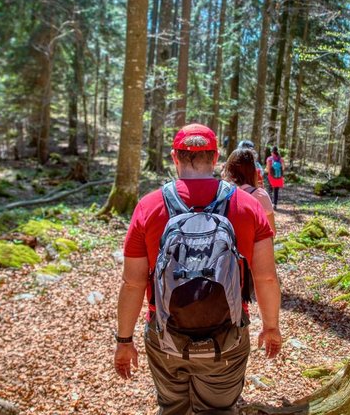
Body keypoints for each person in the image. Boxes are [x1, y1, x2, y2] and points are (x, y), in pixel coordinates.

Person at [114, 123, 282, 415]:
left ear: (173, 157)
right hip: (227, 335)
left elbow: (132, 283)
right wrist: (271, 327)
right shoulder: (247, 205)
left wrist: (124, 341)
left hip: (165, 334)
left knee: (173, 408)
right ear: (216, 158)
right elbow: (266, 277)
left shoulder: (149, 206)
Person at [223, 148, 275, 234]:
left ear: (229, 169)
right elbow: (272, 232)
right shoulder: (260, 195)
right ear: (252, 170)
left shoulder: (221, 193)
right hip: (254, 246)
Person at [266, 146, 284, 210]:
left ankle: (269, 204)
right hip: (278, 177)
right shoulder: (281, 159)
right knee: (276, 191)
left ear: (272, 152)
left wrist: (266, 170)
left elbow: (268, 169)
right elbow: (283, 168)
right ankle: (275, 204)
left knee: (270, 190)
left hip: (271, 177)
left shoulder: (269, 159)